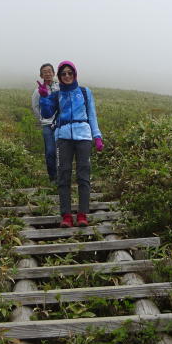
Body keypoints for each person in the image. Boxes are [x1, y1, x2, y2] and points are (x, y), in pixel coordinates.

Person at [38, 61, 103, 228]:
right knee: (63, 175)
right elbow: (47, 113)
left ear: (75, 74)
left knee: (83, 175)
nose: (67, 76)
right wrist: (45, 98)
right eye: (63, 74)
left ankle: (82, 214)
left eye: (70, 73)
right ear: (59, 77)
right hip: (63, 136)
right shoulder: (57, 94)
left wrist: (97, 136)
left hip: (83, 136)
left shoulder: (84, 92)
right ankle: (66, 215)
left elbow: (92, 115)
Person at [31, 63, 60, 183]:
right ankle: (53, 177)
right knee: (50, 151)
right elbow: (35, 107)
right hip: (47, 125)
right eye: (45, 72)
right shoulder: (38, 91)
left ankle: (62, 176)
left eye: (49, 71)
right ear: (41, 75)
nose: (47, 73)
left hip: (60, 123)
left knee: (62, 151)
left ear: (54, 73)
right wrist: (42, 119)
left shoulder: (60, 87)